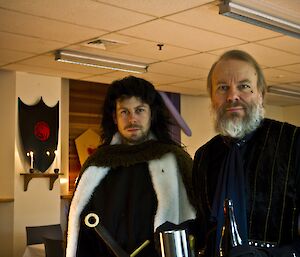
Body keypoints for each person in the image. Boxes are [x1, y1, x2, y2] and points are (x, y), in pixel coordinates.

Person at [66, 76, 196, 257]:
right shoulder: (97, 164)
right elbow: (82, 232)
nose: (132, 119)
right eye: (124, 112)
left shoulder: (175, 161)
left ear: (152, 114)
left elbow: (194, 225)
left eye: (139, 110)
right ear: (114, 117)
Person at [192, 50, 300, 257]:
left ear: (260, 94)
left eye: (244, 86)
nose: (232, 96)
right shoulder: (204, 156)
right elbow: (206, 223)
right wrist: (188, 229)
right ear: (213, 98)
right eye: (222, 87)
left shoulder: (294, 142)